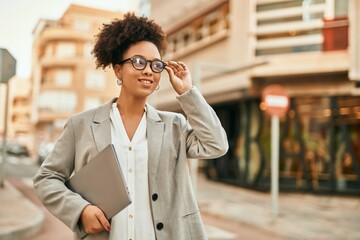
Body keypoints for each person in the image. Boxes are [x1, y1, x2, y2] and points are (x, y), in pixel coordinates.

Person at [33, 13, 228, 240]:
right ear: (118, 70)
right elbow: (47, 177)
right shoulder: (82, 125)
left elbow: (216, 145)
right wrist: (80, 210)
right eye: (138, 61)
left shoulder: (174, 125)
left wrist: (187, 93)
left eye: (156, 65)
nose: (148, 70)